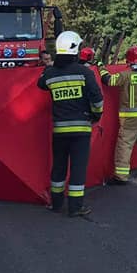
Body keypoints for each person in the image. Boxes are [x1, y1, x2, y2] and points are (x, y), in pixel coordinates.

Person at [37, 30, 104, 218]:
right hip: (81, 130)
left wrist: (48, 67)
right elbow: (97, 98)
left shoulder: (50, 74)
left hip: (60, 131)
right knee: (77, 168)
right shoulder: (85, 72)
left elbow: (40, 84)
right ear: (75, 49)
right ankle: (75, 207)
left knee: (58, 167)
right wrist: (96, 115)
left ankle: (56, 204)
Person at [98, 45, 137, 185]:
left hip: (130, 121)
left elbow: (108, 80)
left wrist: (101, 67)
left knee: (124, 147)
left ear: (128, 60)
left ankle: (121, 177)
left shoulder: (125, 75)